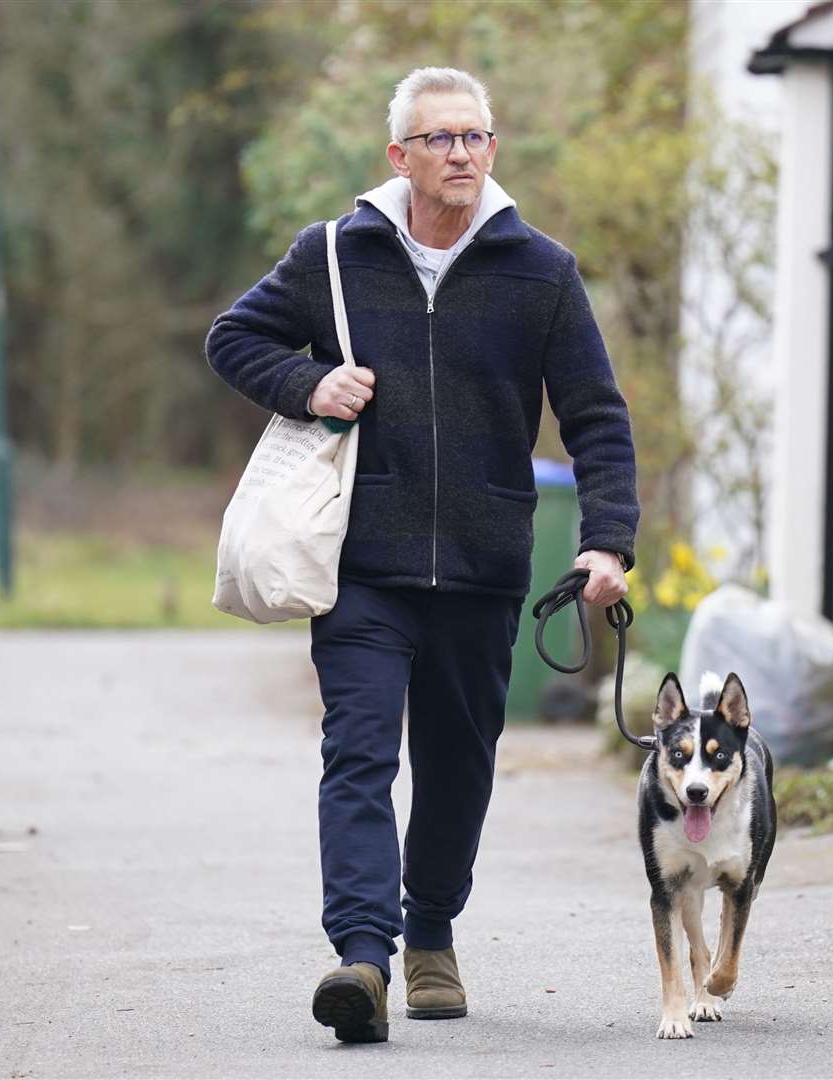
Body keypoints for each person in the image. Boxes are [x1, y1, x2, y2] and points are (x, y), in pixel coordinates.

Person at [204, 66, 639, 1044]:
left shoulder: (542, 272)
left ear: (493, 148)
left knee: (457, 765)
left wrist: (607, 538)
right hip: (362, 563)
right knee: (357, 753)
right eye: (439, 138)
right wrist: (310, 386)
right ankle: (363, 957)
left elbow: (597, 419)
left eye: (475, 137)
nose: (460, 154)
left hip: (486, 570)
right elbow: (233, 338)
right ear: (399, 155)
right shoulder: (331, 255)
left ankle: (432, 925)